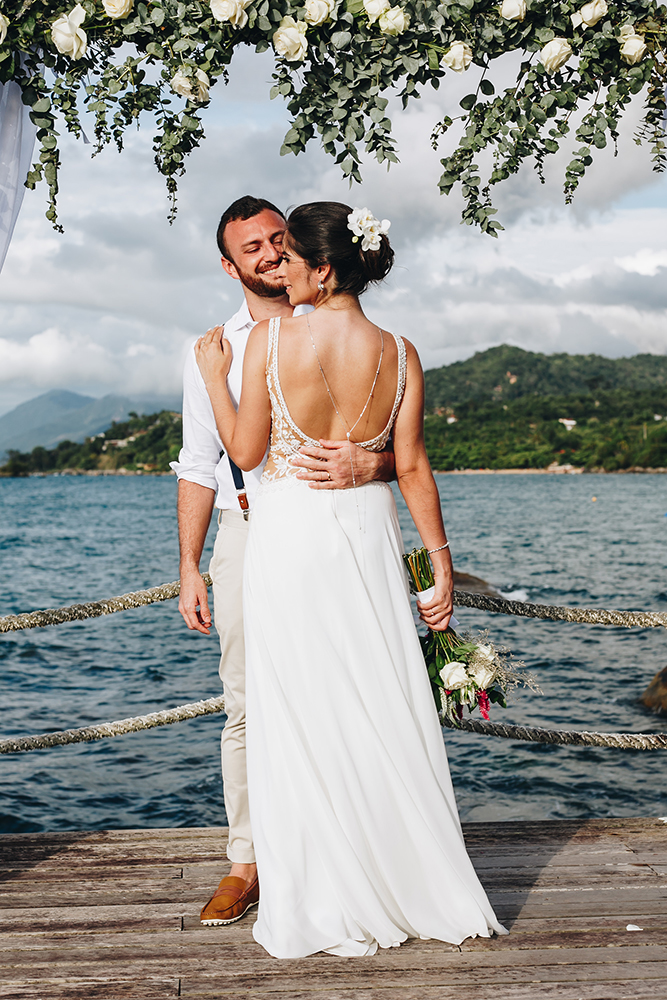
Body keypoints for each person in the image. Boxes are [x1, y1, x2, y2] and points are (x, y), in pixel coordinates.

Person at [194, 201, 507, 958]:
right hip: (366, 531)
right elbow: (412, 466)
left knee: (301, 710)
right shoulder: (400, 352)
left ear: (323, 267)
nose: (280, 272)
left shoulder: (268, 340)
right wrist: (436, 565)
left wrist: (213, 376)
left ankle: (326, 887)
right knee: (378, 697)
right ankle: (410, 878)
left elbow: (241, 448)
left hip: (293, 534)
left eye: (290, 261)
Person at [170, 196, 394, 927]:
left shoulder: (341, 323)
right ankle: (248, 862)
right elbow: (201, 464)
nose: (269, 255)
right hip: (246, 533)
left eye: (278, 240)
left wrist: (373, 465)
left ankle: (349, 855)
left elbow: (406, 450)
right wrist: (191, 566)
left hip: (334, 532)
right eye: (253, 248)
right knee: (245, 703)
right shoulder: (215, 347)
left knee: (349, 694)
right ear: (228, 265)